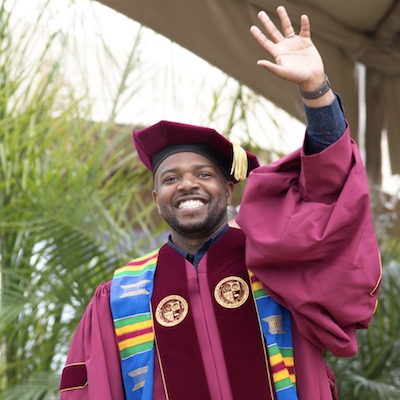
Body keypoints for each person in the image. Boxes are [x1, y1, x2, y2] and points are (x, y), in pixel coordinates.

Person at [59, 6, 381, 400]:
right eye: (170, 178)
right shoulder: (122, 294)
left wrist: (317, 91)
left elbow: (329, 194)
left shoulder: (277, 264)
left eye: (204, 174)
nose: (187, 185)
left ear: (229, 189)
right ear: (155, 196)